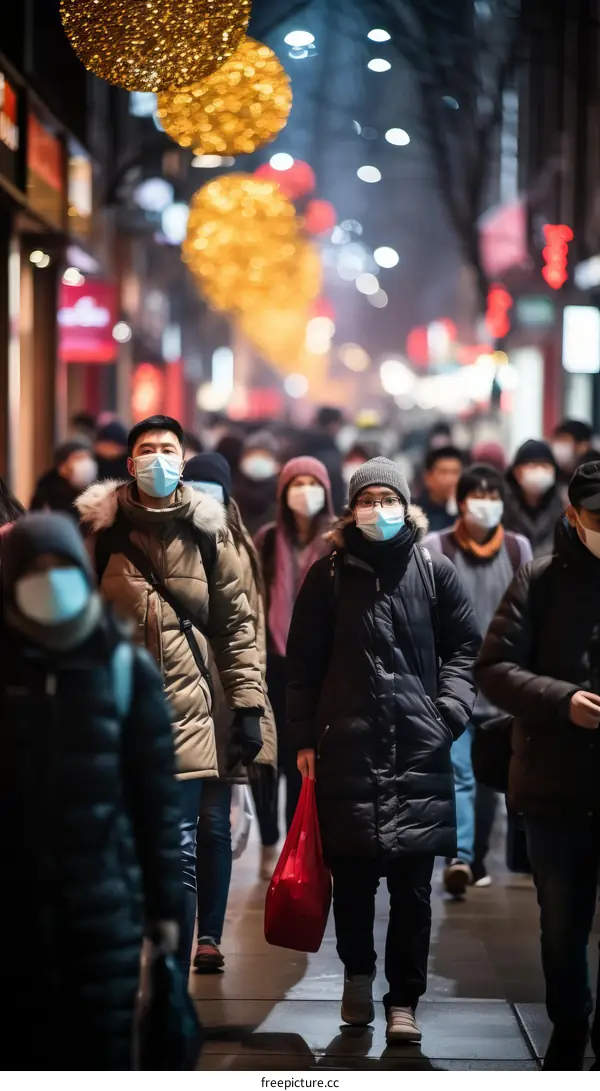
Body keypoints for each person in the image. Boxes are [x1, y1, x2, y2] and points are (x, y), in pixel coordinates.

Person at [287, 457, 480, 1044]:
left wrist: (445, 714)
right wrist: (302, 739)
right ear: (351, 508)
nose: (378, 509)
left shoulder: (434, 571)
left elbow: (464, 650)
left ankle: (403, 1000)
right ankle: (357, 974)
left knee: (413, 890)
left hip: (417, 752)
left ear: (405, 502)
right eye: (366, 499)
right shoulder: (325, 577)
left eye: (386, 498)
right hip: (345, 750)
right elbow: (302, 667)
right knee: (352, 883)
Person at [75, 414, 264, 979]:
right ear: (130, 463)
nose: (158, 459)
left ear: (183, 460)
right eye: (147, 449)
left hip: (190, 708)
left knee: (184, 845)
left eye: (168, 449)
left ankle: (171, 979)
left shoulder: (211, 533)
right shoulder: (101, 534)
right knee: (130, 846)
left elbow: (237, 625)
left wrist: (249, 707)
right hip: (121, 713)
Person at [0, 513, 182, 1070]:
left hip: (103, 910)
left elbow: (155, 804)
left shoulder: (123, 668)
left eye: (62, 567)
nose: (50, 580)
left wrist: (164, 910)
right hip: (13, 912)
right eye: (36, 569)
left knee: (96, 1056)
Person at [476, 460, 600, 1071]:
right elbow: (495, 668)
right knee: (562, 928)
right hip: (556, 784)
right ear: (574, 516)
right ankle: (571, 1026)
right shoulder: (541, 579)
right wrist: (563, 702)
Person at [181, 452, 277, 965]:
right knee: (177, 833)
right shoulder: (162, 539)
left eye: (210, 487)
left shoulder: (239, 547)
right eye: (192, 484)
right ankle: (172, 936)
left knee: (213, 826)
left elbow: (250, 633)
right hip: (173, 705)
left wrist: (251, 706)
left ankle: (209, 938)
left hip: (220, 706)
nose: (201, 495)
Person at [425, 463, 533, 895]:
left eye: (493, 495)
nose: (485, 504)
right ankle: (463, 857)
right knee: (460, 771)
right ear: (461, 501)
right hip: (453, 678)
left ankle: (477, 854)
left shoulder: (517, 548)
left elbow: (530, 610)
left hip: (505, 679)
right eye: (477, 495)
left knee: (494, 777)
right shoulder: (437, 545)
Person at [255, 456, 334, 854]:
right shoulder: (267, 539)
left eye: (313, 482)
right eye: (296, 483)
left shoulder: (337, 540)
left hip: (320, 662)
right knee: (274, 752)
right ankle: (272, 832)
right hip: (273, 660)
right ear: (283, 492)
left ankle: (296, 838)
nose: (306, 491)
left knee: (305, 756)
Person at [503, 439, 564, 558]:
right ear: (516, 471)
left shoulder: (563, 504)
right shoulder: (502, 505)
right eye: (532, 465)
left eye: (545, 465)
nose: (539, 470)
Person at [31, 440, 98, 517]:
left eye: (87, 457)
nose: (85, 463)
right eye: (78, 458)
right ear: (63, 465)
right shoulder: (48, 486)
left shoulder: (95, 488)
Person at [234, 430, 281, 537]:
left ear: (276, 463)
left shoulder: (281, 497)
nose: (258, 460)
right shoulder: (232, 496)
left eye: (264, 456)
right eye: (252, 455)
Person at [415, 445, 465, 532]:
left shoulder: (467, 510)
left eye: (455, 472)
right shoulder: (413, 511)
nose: (451, 479)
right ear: (428, 477)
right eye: (443, 472)